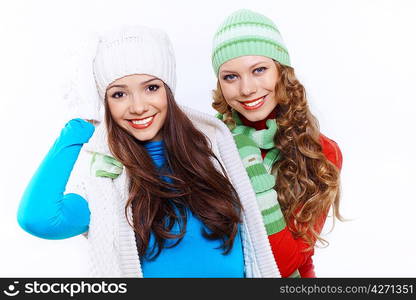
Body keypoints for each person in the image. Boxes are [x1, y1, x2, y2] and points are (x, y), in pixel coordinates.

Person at [17, 25, 282, 278]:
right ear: (104, 103)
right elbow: (39, 219)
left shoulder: (218, 153)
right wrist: (79, 125)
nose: (138, 107)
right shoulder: (106, 184)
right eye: (119, 95)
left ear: (169, 91)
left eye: (151, 88)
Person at [211, 9, 343, 277]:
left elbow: (284, 264)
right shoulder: (210, 143)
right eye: (231, 77)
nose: (247, 89)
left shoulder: (321, 153)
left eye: (259, 70)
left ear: (282, 72)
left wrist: (254, 174)